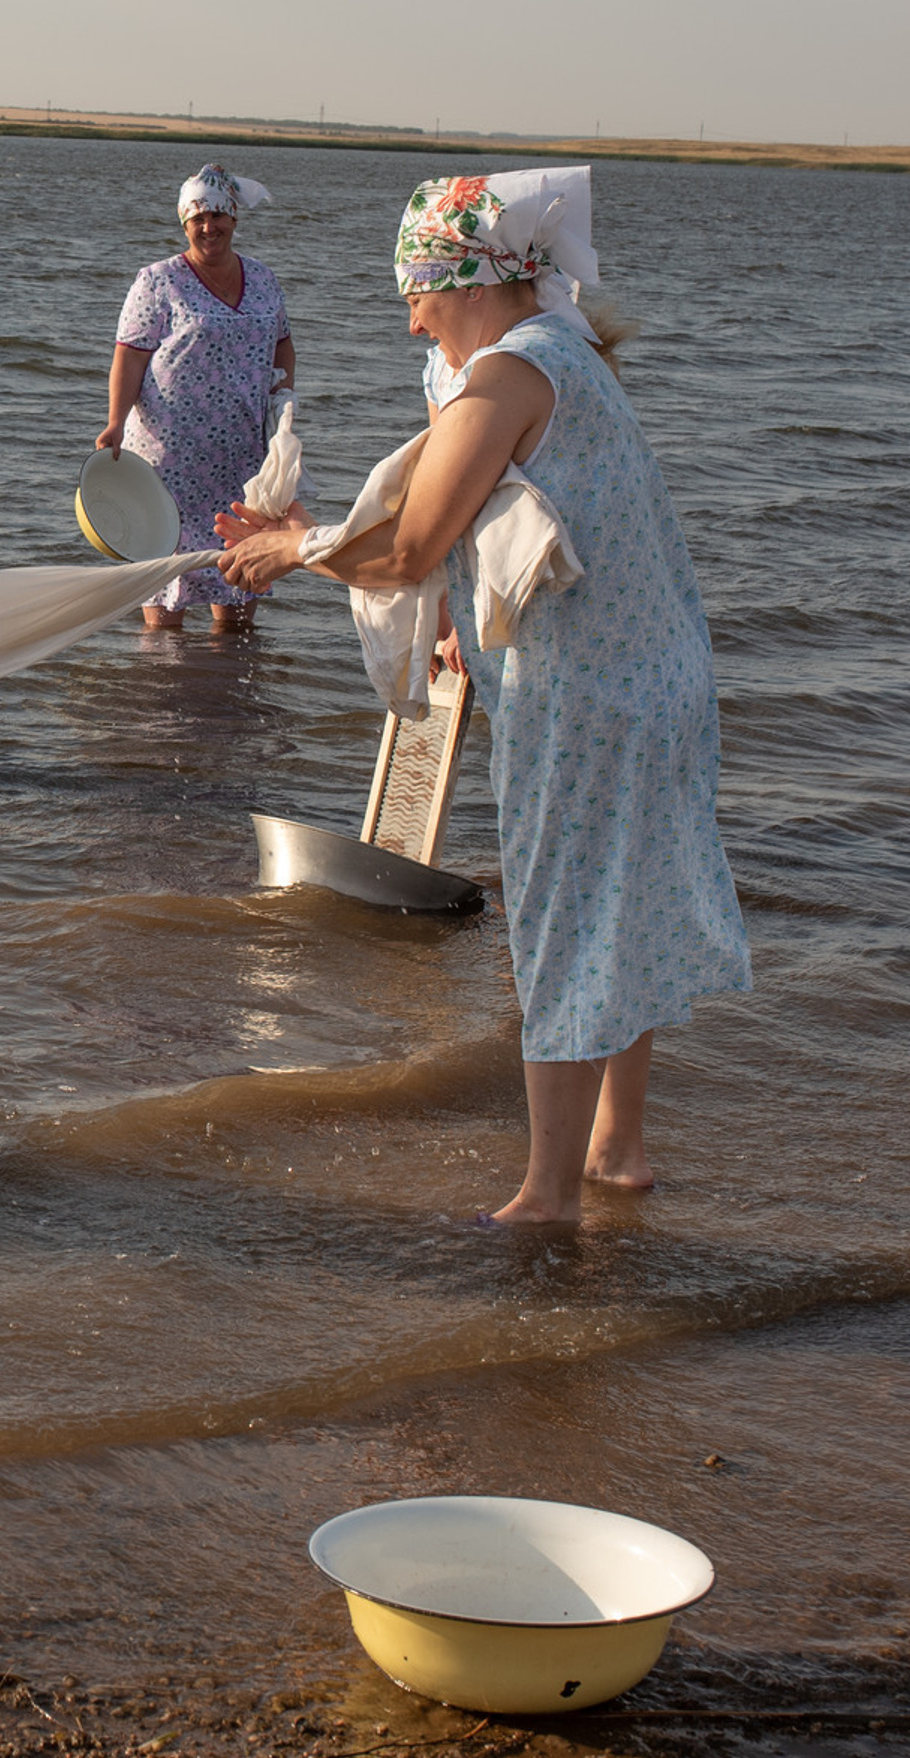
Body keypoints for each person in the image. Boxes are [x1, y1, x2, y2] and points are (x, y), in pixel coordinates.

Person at [218, 169, 749, 1227]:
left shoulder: (504, 377)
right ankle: (617, 1146)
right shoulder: (570, 358)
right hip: (663, 681)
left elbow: (415, 542)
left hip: (588, 697)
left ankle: (547, 1192)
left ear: (460, 279)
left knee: (557, 920)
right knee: (624, 902)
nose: (411, 315)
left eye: (414, 292)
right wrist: (354, 564)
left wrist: (289, 549)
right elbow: (509, 523)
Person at [95, 165, 295, 631]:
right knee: (167, 599)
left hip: (242, 457)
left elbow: (283, 341)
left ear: (234, 218)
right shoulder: (157, 282)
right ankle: (164, 689)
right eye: (197, 219)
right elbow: (129, 357)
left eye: (218, 216)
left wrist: (283, 404)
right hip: (171, 461)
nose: (209, 228)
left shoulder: (263, 279)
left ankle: (226, 697)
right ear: (184, 224)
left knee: (238, 595)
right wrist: (114, 422)